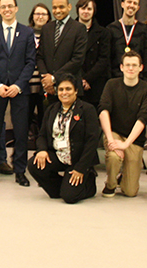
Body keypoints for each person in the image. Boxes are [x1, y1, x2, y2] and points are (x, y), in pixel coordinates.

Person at [0, 0, 37, 186]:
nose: (7, 9)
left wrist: (17, 85)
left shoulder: (27, 33)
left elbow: (31, 62)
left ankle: (20, 170)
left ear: (16, 9)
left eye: (10, 6)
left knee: (21, 131)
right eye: (3, 6)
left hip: (19, 90)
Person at [28, 73, 101, 204]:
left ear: (76, 91)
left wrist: (81, 168)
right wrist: (42, 150)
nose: (64, 93)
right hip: (59, 155)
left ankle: (88, 182)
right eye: (61, 89)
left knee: (69, 198)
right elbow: (42, 135)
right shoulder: (51, 109)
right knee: (34, 165)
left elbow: (92, 141)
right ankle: (63, 187)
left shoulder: (87, 109)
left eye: (68, 89)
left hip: (77, 159)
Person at [98, 52, 147, 197]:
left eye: (134, 65)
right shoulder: (111, 84)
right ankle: (110, 185)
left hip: (134, 138)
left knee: (130, 192)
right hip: (115, 132)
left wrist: (126, 144)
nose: (131, 68)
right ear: (122, 67)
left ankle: (122, 178)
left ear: (141, 68)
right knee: (113, 156)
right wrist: (111, 141)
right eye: (128, 65)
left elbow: (143, 119)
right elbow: (103, 111)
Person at [36, 0, 87, 103]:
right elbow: (40, 56)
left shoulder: (79, 28)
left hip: (70, 88)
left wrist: (54, 78)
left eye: (61, 7)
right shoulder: (46, 28)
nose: (57, 10)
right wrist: (46, 80)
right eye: (54, 8)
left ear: (69, 7)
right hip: (48, 90)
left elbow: (78, 59)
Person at [108, 0, 147, 80]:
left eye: (135, 3)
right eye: (129, 2)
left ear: (138, 8)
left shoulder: (145, 30)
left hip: (138, 79)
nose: (131, 5)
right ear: (122, 4)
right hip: (116, 78)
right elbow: (108, 58)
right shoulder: (111, 29)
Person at [77, 0, 111, 108]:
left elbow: (104, 59)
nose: (86, 12)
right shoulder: (69, 30)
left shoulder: (103, 33)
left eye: (89, 9)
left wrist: (87, 79)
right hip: (75, 82)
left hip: (95, 83)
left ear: (94, 11)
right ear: (78, 10)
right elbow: (68, 57)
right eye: (83, 8)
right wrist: (80, 79)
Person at [27, 3, 51, 139]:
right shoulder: (25, 33)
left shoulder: (52, 34)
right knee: (25, 121)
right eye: (37, 14)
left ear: (48, 17)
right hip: (28, 85)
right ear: (32, 16)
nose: (40, 17)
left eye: (43, 14)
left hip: (45, 86)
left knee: (44, 121)